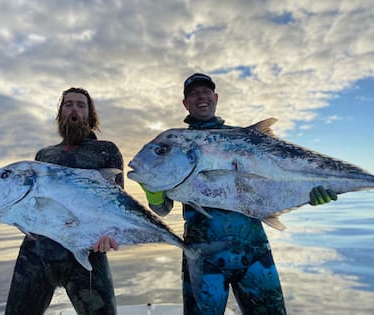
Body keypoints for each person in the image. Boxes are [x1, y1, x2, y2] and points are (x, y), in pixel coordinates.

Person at [140, 73, 338, 315]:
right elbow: (162, 210)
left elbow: (282, 178)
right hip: (204, 256)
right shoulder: (176, 143)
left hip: (254, 250)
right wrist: (152, 188)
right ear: (185, 103)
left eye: (206, 92)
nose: (201, 97)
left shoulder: (245, 137)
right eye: (193, 93)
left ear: (215, 97)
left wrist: (311, 192)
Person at [0, 87, 122, 315]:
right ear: (60, 114)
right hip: (37, 253)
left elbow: (117, 204)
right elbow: (29, 206)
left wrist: (109, 234)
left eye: (81, 105)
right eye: (68, 104)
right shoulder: (44, 156)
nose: (74, 109)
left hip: (86, 253)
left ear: (90, 116)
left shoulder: (106, 151)